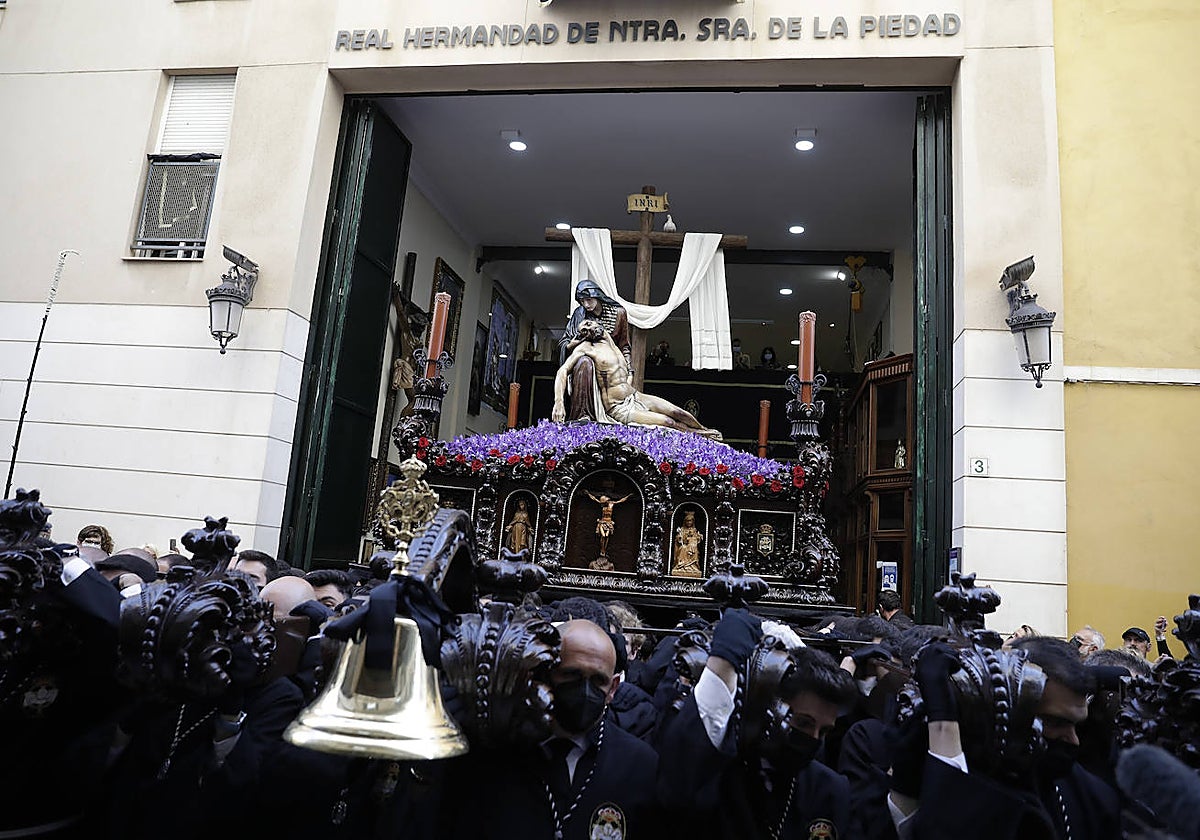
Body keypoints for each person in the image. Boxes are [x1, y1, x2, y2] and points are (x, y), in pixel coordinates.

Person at [439, 619, 661, 838]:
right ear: (545, 672)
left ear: (612, 688)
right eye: (571, 674)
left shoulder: (639, 765)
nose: (584, 691)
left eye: (598, 681)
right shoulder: (497, 749)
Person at [658, 608, 856, 839]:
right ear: (773, 708)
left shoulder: (831, 790)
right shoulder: (720, 774)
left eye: (823, 732)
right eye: (803, 723)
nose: (812, 738)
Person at [553, 320, 721, 438]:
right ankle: (700, 436)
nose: (587, 329)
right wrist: (559, 402)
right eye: (583, 330)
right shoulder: (586, 348)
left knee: (678, 412)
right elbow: (563, 371)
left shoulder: (614, 345)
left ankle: (704, 430)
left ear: (599, 324)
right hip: (619, 408)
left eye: (588, 324)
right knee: (668, 422)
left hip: (635, 396)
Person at [558, 279, 632, 422]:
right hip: (586, 363)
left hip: (610, 368)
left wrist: (630, 371)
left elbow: (624, 346)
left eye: (589, 300)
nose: (586, 305)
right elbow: (565, 343)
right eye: (582, 301)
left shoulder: (619, 313)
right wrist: (574, 342)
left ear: (597, 296)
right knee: (584, 363)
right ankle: (583, 415)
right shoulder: (579, 314)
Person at [670, 510, 704, 577]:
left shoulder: (694, 530)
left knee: (693, 548)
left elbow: (697, 539)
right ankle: (681, 566)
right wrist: (680, 538)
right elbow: (679, 540)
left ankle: (693, 567)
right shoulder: (682, 530)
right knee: (683, 548)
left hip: (693, 547)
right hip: (684, 546)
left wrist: (698, 537)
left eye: (690, 521)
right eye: (687, 521)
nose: (689, 522)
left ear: (693, 522)